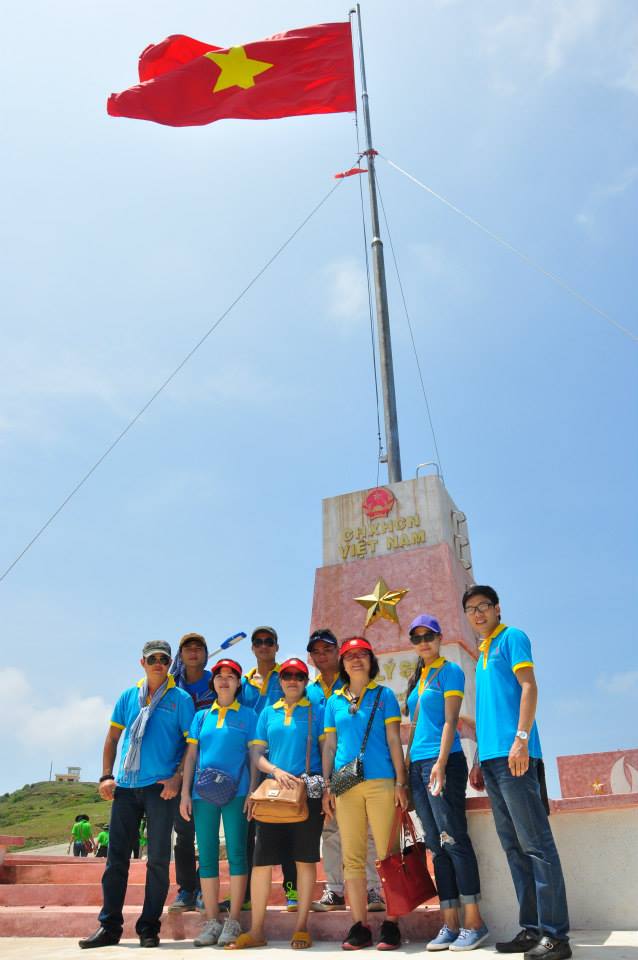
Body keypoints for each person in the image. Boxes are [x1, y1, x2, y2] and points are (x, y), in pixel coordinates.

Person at [463, 585, 571, 960]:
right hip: (493, 760)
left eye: (484, 606)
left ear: (497, 608)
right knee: (514, 848)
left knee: (537, 846)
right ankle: (532, 929)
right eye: (471, 609)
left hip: (516, 757)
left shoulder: (512, 638)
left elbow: (529, 686)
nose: (478, 614)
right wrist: (478, 759)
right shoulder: (482, 651)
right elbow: (487, 711)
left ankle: (556, 937)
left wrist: (521, 739)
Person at [79, 639, 194, 950]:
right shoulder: (128, 696)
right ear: (142, 663)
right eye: (152, 659)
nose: (158, 664)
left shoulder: (181, 699)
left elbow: (190, 744)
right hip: (127, 787)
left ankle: (149, 927)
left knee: (157, 860)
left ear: (169, 664)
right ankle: (109, 927)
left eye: (164, 659)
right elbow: (113, 737)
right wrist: (106, 776)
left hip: (160, 788)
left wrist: (177, 777)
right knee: (116, 860)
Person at [405, 614, 488, 952]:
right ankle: (450, 923)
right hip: (417, 766)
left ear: (439, 638)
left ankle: (474, 923)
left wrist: (439, 763)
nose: (423, 642)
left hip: (443, 763)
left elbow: (450, 720)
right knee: (435, 845)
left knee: (453, 838)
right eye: (417, 637)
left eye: (429, 635)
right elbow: (416, 726)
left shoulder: (449, 670)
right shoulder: (418, 678)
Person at [229, 657, 325, 950]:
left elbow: (327, 750)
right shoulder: (268, 712)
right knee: (261, 863)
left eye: (299, 676)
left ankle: (302, 927)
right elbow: (256, 754)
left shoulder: (318, 711)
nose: (292, 680)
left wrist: (327, 788)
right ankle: (256, 930)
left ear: (306, 681)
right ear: (280, 681)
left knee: (305, 860)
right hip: (272, 795)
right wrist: (276, 771)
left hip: (306, 794)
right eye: (287, 675)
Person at [322, 637, 408, 951]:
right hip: (345, 785)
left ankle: (392, 924)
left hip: (382, 781)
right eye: (349, 656)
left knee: (388, 856)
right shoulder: (334, 702)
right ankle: (359, 926)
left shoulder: (384, 695)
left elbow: (394, 739)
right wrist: (327, 786)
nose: (356, 660)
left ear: (371, 661)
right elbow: (330, 746)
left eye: (362, 655)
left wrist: (401, 782)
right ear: (342, 664)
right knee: (352, 858)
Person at [306, 628, 385, 914]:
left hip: (354, 767)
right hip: (320, 771)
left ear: (338, 653)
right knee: (330, 830)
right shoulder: (308, 689)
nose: (321, 655)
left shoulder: (353, 681)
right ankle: (335, 890)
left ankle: (373, 889)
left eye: (327, 649)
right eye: (316, 651)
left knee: (367, 830)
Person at [180, 658, 256, 947]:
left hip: (238, 793)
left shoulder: (249, 715)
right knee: (208, 856)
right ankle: (212, 921)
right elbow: (191, 757)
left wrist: (253, 790)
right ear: (212, 683)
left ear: (238, 684)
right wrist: (185, 793)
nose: (224, 680)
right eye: (219, 676)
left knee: (237, 853)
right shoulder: (201, 717)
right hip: (202, 794)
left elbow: (254, 757)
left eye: (231, 676)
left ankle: (233, 920)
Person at [239, 626, 297, 911]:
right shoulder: (242, 683)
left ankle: (292, 890)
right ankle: (247, 895)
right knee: (248, 828)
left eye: (269, 642)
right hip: (247, 763)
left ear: (276, 646)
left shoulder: (287, 675)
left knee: (286, 827)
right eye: (258, 642)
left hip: (279, 762)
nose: (263, 646)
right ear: (252, 648)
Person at [168, 632, 215, 915]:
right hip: (177, 768)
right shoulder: (172, 684)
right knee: (184, 833)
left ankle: (204, 888)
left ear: (206, 654)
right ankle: (186, 889)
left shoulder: (216, 680)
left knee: (207, 833)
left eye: (199, 648)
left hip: (211, 768)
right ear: (181, 655)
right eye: (188, 648)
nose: (193, 652)